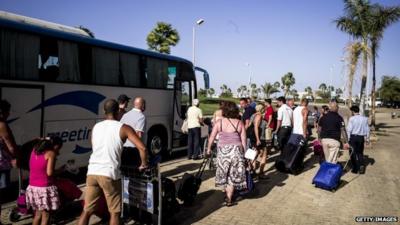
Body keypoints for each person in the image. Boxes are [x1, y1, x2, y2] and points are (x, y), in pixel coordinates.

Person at [78, 99, 148, 225]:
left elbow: (95, 147)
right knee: (115, 212)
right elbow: (142, 147)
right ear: (118, 112)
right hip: (109, 173)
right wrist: (143, 164)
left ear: (104, 111)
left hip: (92, 172)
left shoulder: (96, 127)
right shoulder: (124, 128)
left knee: (87, 210)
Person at [206, 101, 247, 207]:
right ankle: (229, 197)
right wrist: (244, 153)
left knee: (225, 173)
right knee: (233, 175)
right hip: (236, 151)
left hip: (223, 151)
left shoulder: (219, 123)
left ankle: (226, 193)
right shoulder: (239, 123)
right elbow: (244, 141)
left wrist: (208, 149)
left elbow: (212, 136)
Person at [25, 137, 63, 225]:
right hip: (44, 188)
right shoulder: (51, 154)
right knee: (46, 215)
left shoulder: (34, 151)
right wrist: (61, 170)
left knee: (37, 215)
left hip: (33, 187)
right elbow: (49, 173)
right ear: (55, 145)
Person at [0, 100, 18, 223]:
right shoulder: (2, 125)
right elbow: (10, 146)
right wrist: (16, 157)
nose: (9, 114)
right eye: (7, 111)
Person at [346, 105, 370, 174]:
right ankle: (361, 167)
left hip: (353, 137)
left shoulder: (352, 119)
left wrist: (348, 139)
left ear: (353, 111)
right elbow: (367, 130)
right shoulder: (365, 118)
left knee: (352, 153)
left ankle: (355, 168)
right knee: (360, 153)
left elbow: (349, 130)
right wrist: (367, 139)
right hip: (361, 138)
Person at [252, 104, 268, 179]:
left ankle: (252, 171)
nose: (265, 109)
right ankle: (261, 173)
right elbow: (256, 127)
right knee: (264, 155)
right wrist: (258, 139)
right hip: (260, 138)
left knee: (253, 155)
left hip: (254, 138)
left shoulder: (253, 115)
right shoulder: (259, 116)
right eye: (264, 108)